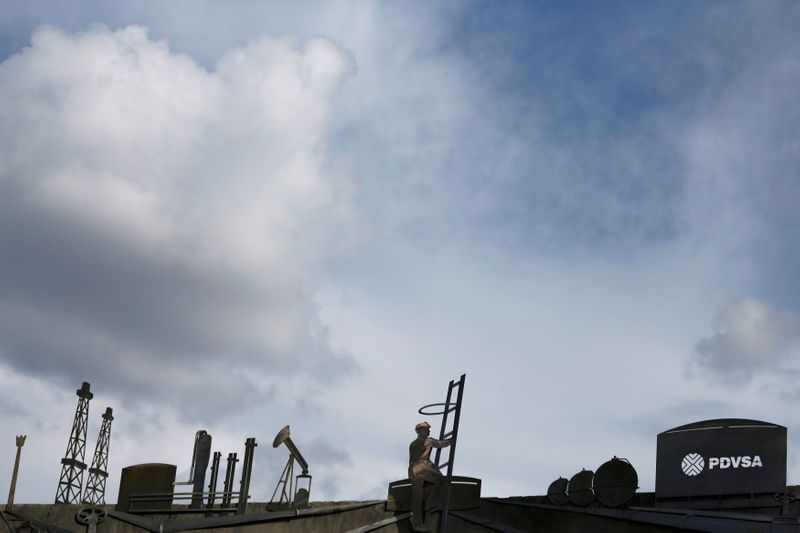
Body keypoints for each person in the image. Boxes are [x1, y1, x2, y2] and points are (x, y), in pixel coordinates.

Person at [408, 421, 450, 532]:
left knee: (417, 496)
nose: (428, 431)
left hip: (412, 470)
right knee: (440, 480)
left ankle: (417, 523)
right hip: (422, 468)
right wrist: (450, 441)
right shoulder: (429, 440)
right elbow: (440, 444)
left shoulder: (412, 444)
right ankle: (429, 503)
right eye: (426, 429)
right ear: (421, 431)